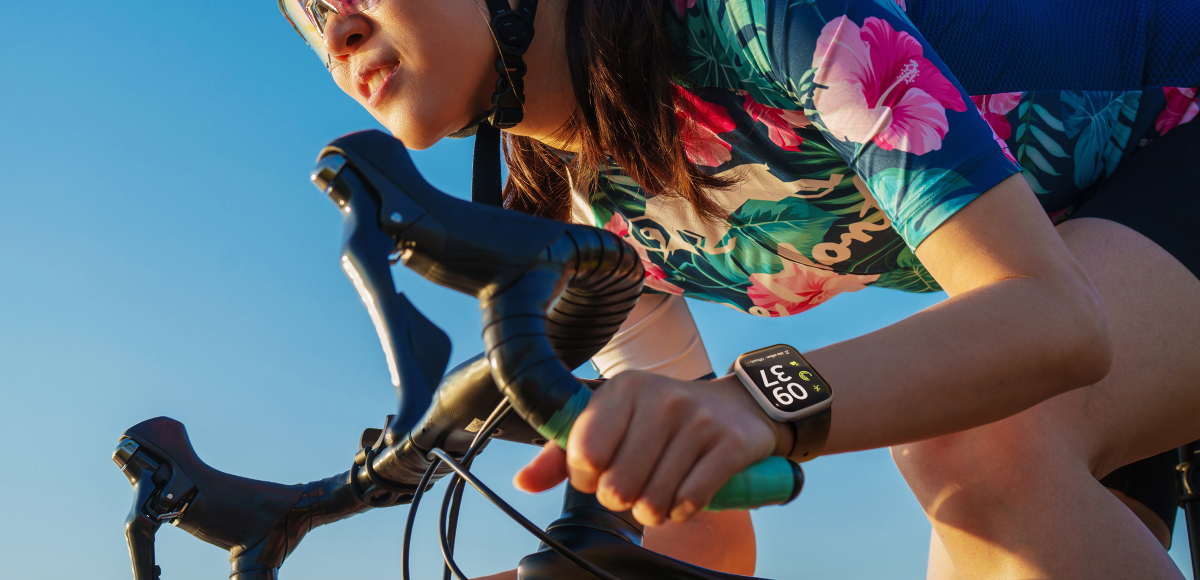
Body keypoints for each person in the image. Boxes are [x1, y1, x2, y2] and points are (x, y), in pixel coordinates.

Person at [280, 0, 1200, 577]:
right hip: (1113, 250)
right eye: (309, 14)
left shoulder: (757, 17)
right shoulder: (582, 220)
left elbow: (1050, 316)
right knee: (995, 521)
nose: (337, 30)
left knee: (979, 451)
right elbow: (707, 532)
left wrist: (754, 401)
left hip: (1159, 159)